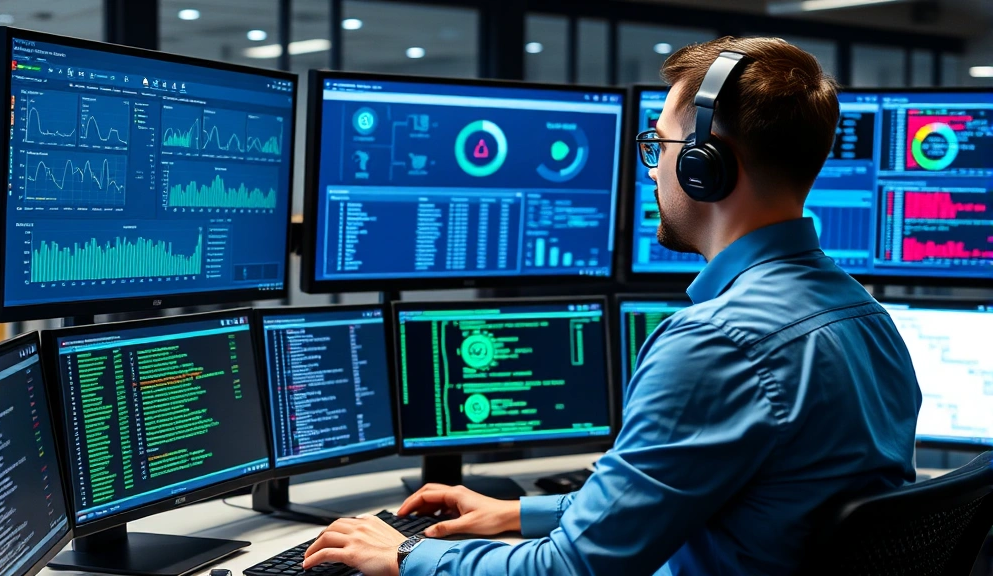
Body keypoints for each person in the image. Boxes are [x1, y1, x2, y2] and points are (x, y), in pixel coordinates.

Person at [300, 36, 922, 576]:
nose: (653, 172)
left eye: (662, 145)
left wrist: (405, 557)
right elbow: (685, 493)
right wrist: (517, 511)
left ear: (707, 168)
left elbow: (574, 569)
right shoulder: (865, 318)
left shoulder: (717, 342)